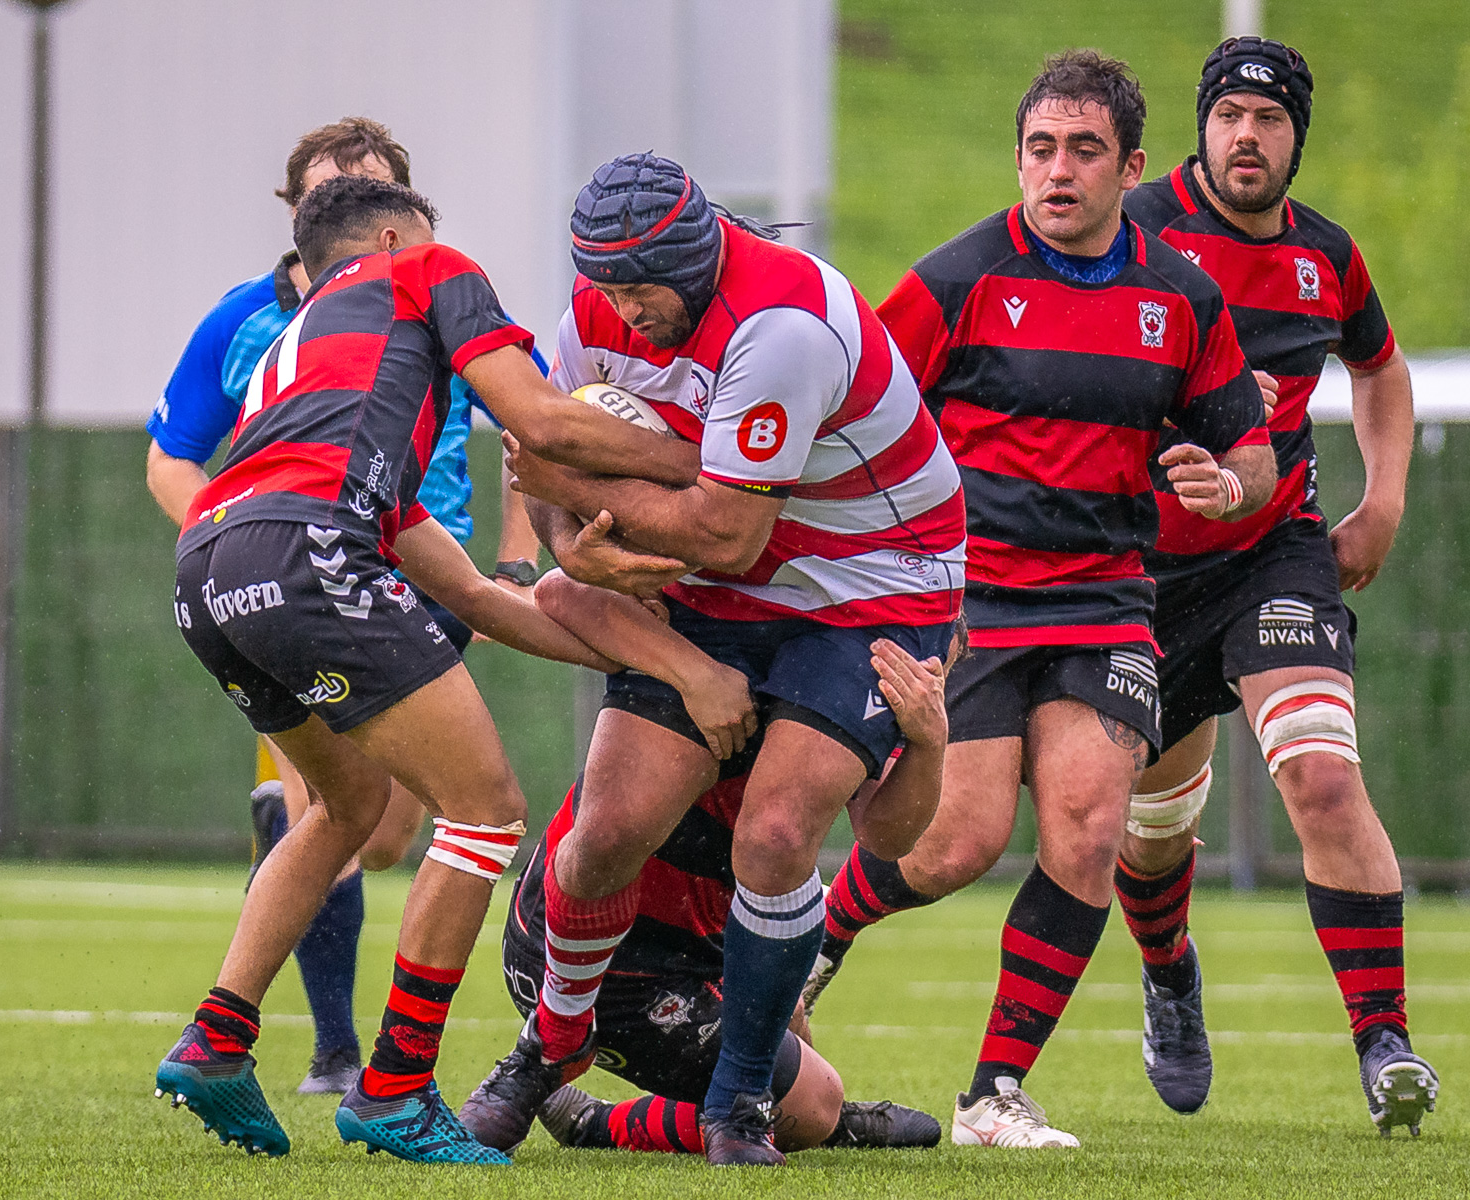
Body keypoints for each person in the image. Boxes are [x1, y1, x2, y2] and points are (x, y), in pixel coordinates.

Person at [153, 176, 699, 1164]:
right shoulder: (427, 268)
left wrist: (665, 660)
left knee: (347, 807)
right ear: (394, 236)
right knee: (485, 812)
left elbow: (482, 601)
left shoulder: (322, 376)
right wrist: (712, 470)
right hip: (304, 547)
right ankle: (396, 1087)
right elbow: (542, 420)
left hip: (210, 563)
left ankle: (217, 1040)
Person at [457, 153, 965, 1166]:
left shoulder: (782, 327)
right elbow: (548, 487)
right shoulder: (598, 312)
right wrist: (576, 540)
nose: (621, 311)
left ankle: (737, 1105)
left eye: (640, 290)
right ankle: (548, 1045)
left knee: (775, 836)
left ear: (695, 263)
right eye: (604, 287)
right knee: (605, 830)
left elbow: (725, 533)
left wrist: (576, 489)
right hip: (722, 597)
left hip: (871, 586)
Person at [805, 51, 1274, 1147]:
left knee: (1088, 828)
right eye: (1040, 148)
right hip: (970, 601)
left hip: (1107, 602)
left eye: (1084, 151)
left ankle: (993, 1094)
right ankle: (809, 947)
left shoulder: (1182, 296)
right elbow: (855, 409)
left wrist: (1226, 483)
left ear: (1132, 169)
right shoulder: (957, 279)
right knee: (955, 845)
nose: (1058, 170)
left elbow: (1250, 452)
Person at [144, 117, 545, 1095]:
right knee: (467, 813)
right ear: (301, 212)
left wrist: (524, 566)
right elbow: (170, 455)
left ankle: (220, 1042)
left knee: (371, 824)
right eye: (327, 188)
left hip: (367, 563)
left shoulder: (404, 305)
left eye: (364, 183)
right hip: (321, 563)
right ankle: (364, 1069)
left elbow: (518, 445)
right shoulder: (275, 311)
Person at [1108, 37, 1434, 1136]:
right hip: (1138, 574)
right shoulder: (1134, 230)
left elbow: (1380, 367)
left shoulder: (1327, 256)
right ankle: (1168, 969)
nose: (1246, 136)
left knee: (1323, 780)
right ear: (1201, 127)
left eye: (1270, 119)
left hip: (1273, 555)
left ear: (1297, 139)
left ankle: (1385, 1041)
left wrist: (1383, 500)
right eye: (1229, 115)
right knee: (1152, 833)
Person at [498, 571, 946, 1156]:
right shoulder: (705, 608)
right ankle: (596, 1121)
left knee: (780, 988)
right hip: (593, 951)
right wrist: (693, 672)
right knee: (815, 1106)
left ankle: (767, 1110)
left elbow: (888, 837)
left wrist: (928, 743)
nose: (926, 672)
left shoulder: (843, 678)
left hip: (694, 947)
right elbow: (558, 591)